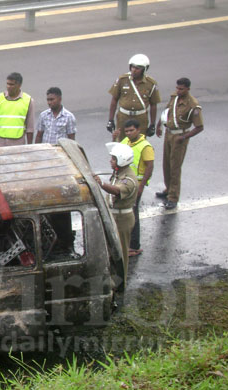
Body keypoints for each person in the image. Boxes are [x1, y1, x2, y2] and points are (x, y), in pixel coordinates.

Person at [155, 77, 204, 210]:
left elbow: (199, 127)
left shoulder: (193, 105)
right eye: (177, 88)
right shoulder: (174, 97)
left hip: (180, 137)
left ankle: (173, 197)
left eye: (181, 89)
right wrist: (159, 125)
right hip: (169, 134)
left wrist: (184, 137)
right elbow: (167, 111)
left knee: (175, 168)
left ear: (188, 89)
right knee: (166, 164)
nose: (178, 90)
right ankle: (168, 189)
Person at [94, 143, 138, 283]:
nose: (110, 161)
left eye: (113, 159)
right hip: (115, 215)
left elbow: (117, 190)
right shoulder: (119, 173)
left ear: (121, 160)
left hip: (122, 218)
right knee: (111, 249)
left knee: (121, 251)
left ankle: (121, 283)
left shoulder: (128, 179)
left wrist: (102, 184)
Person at [114, 119, 154, 257]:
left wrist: (142, 185)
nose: (129, 133)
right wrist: (114, 138)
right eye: (127, 131)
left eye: (131, 130)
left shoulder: (145, 146)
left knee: (133, 214)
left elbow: (149, 167)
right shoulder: (125, 141)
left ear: (138, 130)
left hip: (135, 184)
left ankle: (134, 246)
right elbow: (116, 155)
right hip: (125, 182)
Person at [107, 54, 160, 141]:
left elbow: (153, 105)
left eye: (137, 68)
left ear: (144, 69)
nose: (134, 70)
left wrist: (152, 124)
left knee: (140, 142)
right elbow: (114, 99)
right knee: (121, 142)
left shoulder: (151, 84)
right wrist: (110, 120)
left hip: (140, 118)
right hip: (123, 117)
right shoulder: (122, 80)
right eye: (132, 67)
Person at [0, 72, 34, 147]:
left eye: (11, 84)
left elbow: (30, 128)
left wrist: (29, 147)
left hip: (18, 144)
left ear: (19, 85)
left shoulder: (28, 100)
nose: (8, 86)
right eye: (7, 84)